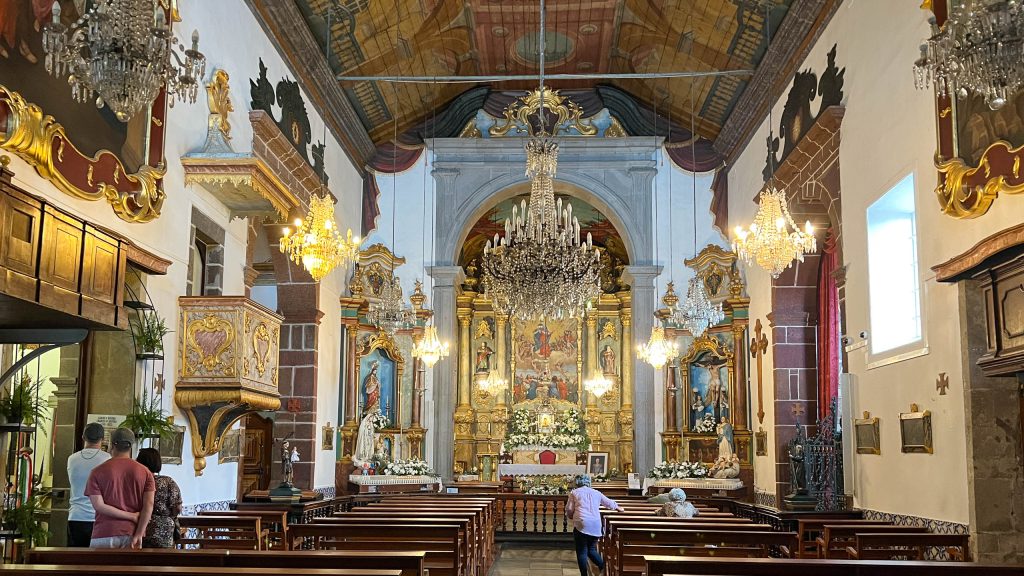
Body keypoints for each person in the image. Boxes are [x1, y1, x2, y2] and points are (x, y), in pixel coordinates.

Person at [85, 428, 155, 548]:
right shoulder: (145, 472)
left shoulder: (97, 472)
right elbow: (149, 504)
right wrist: (139, 533)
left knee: (99, 567)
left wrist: (131, 516)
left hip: (104, 532)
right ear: (131, 445)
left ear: (112, 445)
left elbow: (99, 506)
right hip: (132, 533)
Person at [565, 475, 621, 576]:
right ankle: (602, 566)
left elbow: (569, 509)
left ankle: (584, 574)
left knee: (582, 551)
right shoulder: (596, 492)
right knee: (591, 549)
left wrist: (570, 517)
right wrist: (618, 507)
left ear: (577, 483)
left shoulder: (574, 493)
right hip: (595, 524)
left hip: (581, 523)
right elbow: (608, 503)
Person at [67, 422, 111, 547]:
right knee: (96, 561)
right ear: (102, 439)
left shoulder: (72, 459)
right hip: (98, 516)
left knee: (76, 560)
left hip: (75, 515)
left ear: (83, 437)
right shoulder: (107, 458)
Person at [135, 448, 181, 548]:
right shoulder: (168, 482)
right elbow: (177, 507)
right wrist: (170, 515)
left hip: (140, 526)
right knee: (163, 561)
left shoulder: (135, 482)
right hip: (164, 529)